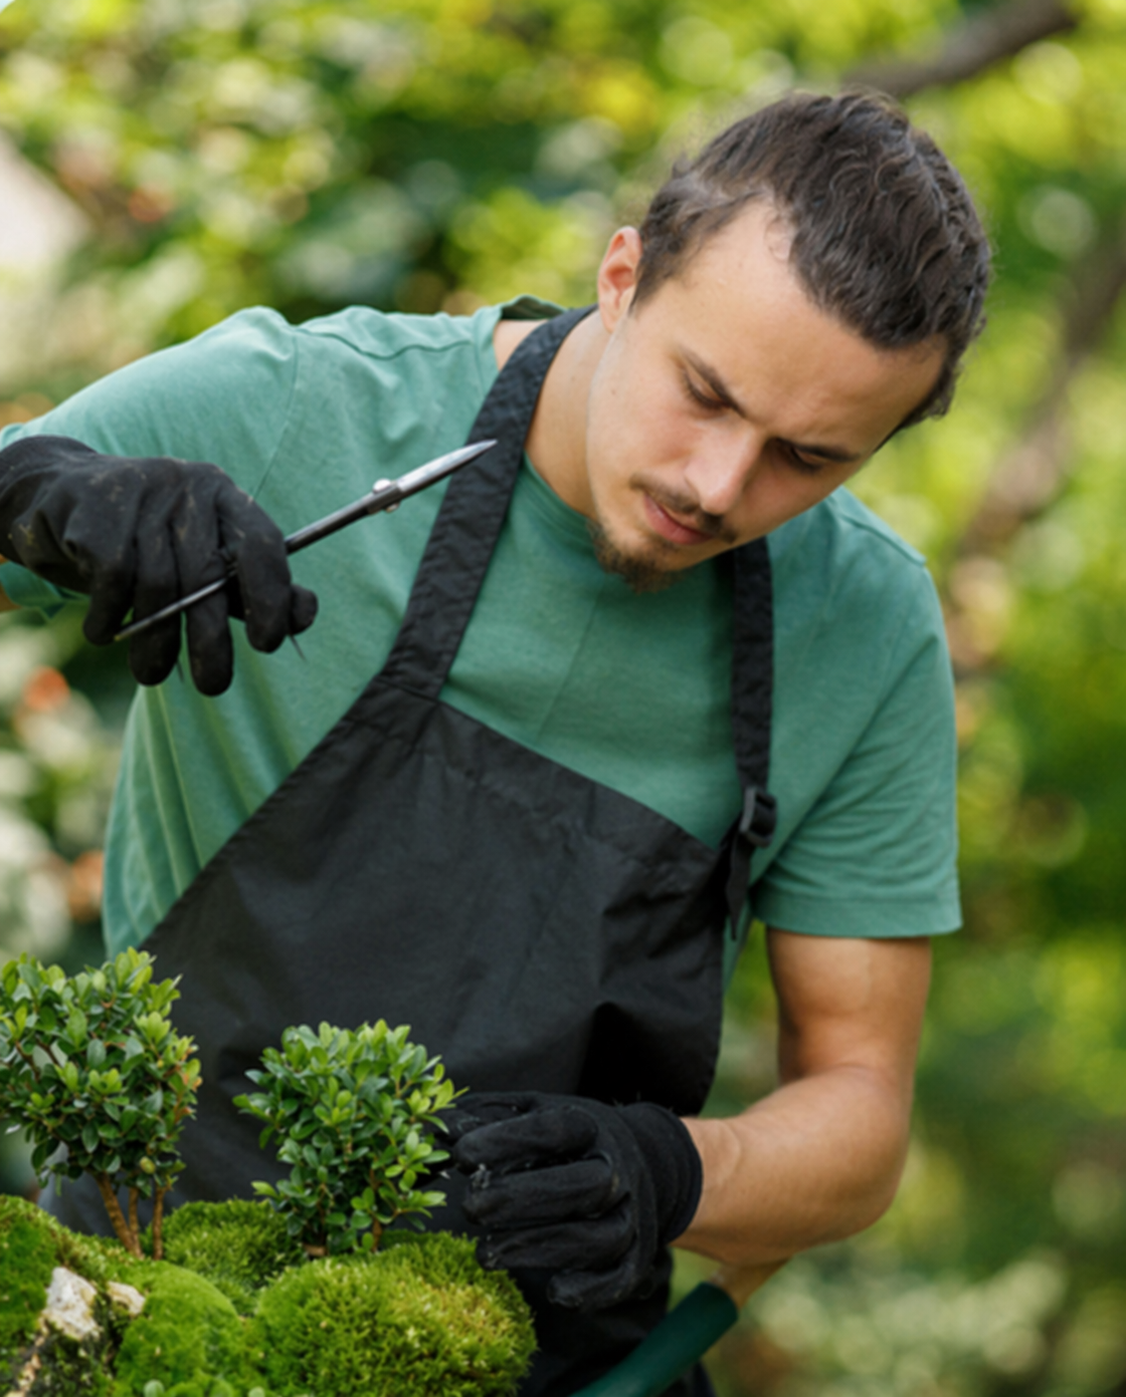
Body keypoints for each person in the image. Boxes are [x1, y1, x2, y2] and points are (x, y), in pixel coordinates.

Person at [0, 89, 990, 1396]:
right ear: (622, 275)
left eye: (806, 459)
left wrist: (673, 1172)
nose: (716, 485)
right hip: (151, 1315)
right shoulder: (303, 411)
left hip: (552, 1357)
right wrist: (39, 496)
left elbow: (858, 1118)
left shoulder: (862, 626)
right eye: (703, 394)